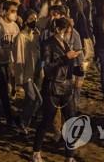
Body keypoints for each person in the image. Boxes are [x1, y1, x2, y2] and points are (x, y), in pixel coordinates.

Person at [32, 18, 82, 162]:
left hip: (67, 87)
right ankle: (36, 151)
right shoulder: (48, 44)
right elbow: (47, 68)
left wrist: (78, 69)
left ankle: (69, 156)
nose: (69, 35)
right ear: (59, 30)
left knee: (71, 121)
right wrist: (65, 57)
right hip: (53, 87)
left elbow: (67, 66)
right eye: (67, 32)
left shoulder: (66, 44)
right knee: (46, 121)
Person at [0, 1, 20, 126]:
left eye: (16, 11)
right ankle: (9, 117)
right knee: (4, 89)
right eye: (12, 11)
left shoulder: (15, 26)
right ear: (5, 11)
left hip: (8, 61)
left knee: (0, 88)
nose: (14, 14)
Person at [15, 10, 42, 134]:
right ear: (25, 21)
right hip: (26, 73)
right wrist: (19, 79)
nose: (34, 21)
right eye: (31, 19)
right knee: (33, 99)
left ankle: (24, 120)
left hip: (34, 71)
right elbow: (19, 57)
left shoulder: (35, 35)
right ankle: (23, 122)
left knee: (37, 100)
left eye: (35, 19)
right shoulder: (21, 37)